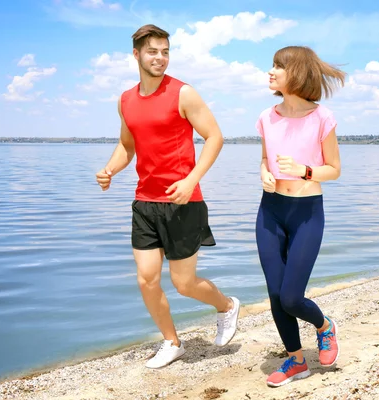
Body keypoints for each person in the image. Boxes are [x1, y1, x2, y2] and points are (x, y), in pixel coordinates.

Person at [95, 24, 240, 369]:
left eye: (165, 51)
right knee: (146, 279)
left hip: (183, 201)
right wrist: (110, 169)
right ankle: (172, 342)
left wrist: (191, 179)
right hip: (145, 202)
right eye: (153, 51)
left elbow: (215, 137)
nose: (160, 58)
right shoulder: (125, 100)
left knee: (183, 283)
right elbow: (127, 145)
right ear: (136, 55)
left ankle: (227, 306)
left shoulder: (183, 93)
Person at [254, 45, 345, 387]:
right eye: (272, 66)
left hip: (307, 213)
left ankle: (324, 327)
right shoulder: (267, 117)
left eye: (279, 66)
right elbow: (266, 159)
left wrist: (306, 171)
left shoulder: (322, 118)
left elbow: (334, 170)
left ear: (298, 73)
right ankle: (295, 361)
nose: (271, 71)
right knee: (276, 293)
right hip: (271, 211)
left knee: (292, 296)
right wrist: (264, 172)